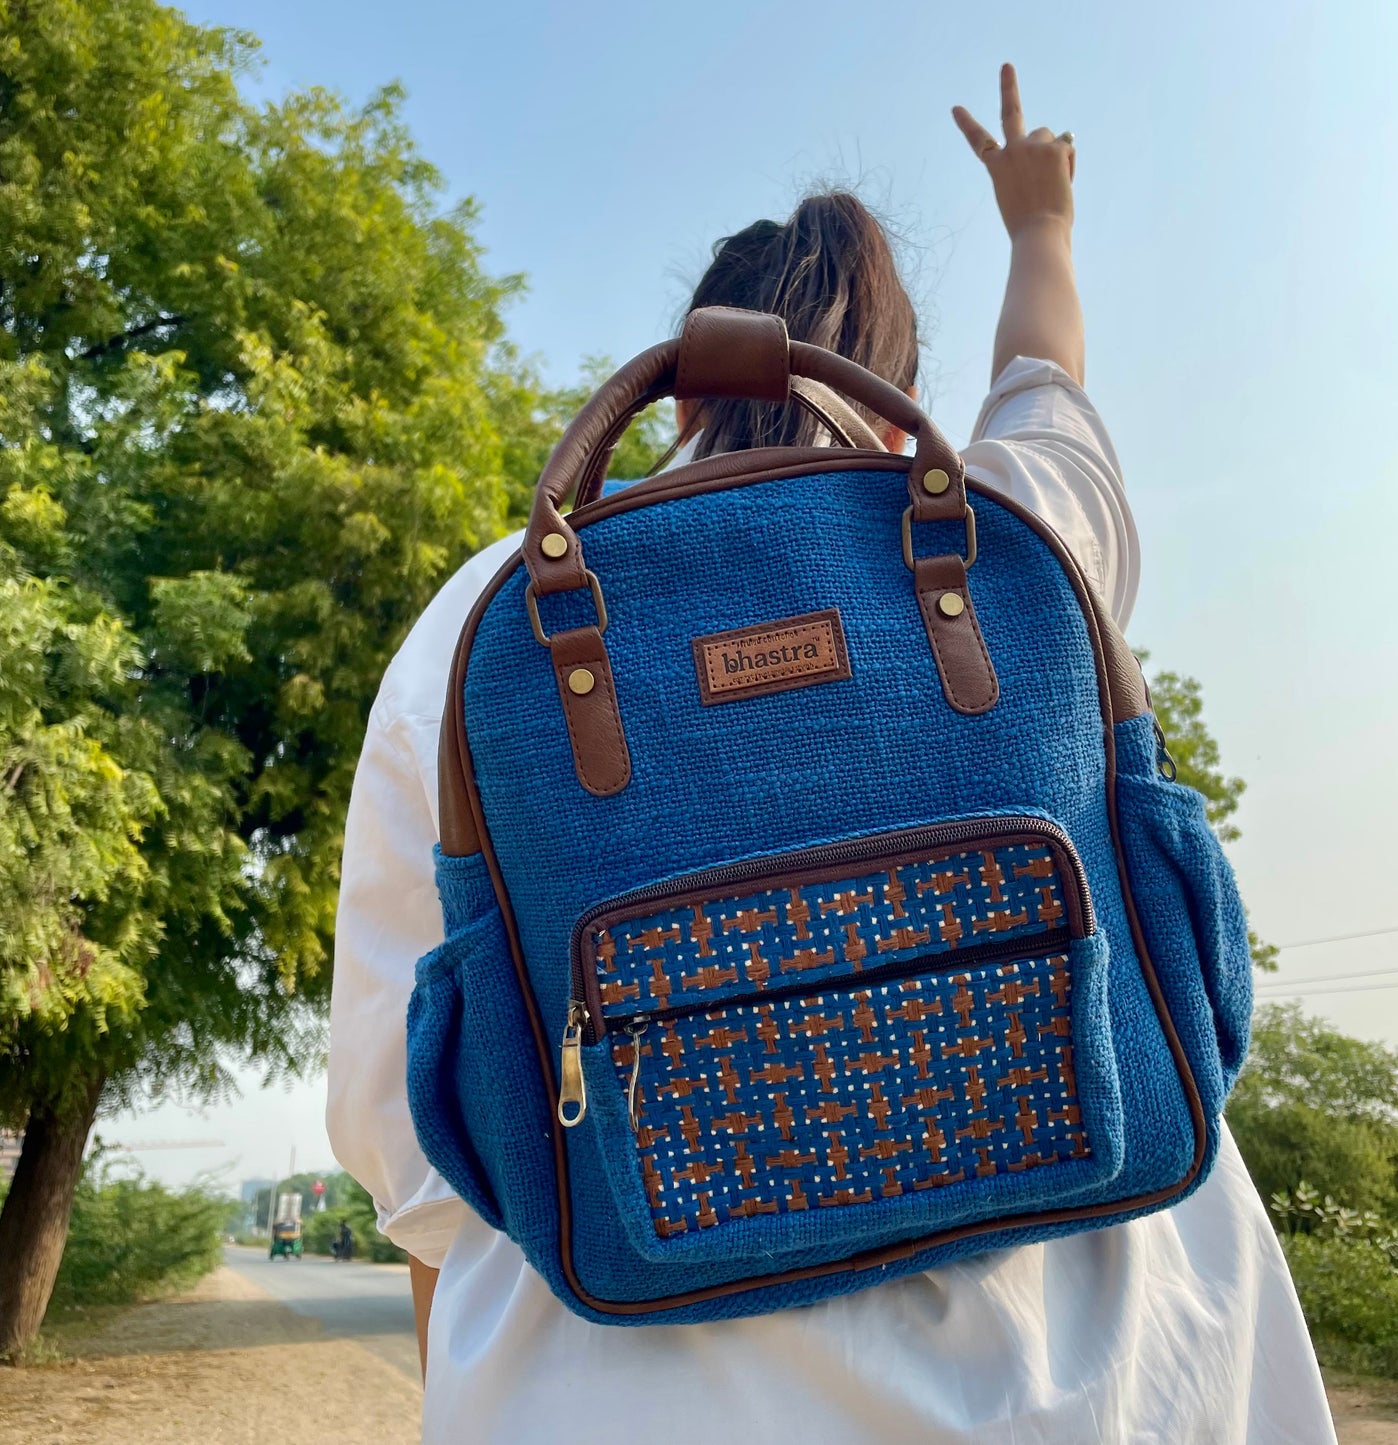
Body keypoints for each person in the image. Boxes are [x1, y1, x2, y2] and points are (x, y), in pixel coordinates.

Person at [327, 66, 1335, 1443]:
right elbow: (1045, 378)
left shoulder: (481, 619)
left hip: (619, 1391)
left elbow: (414, 1136)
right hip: (1104, 1378)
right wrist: (1039, 220)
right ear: (898, 384)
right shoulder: (1002, 521)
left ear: (681, 393)